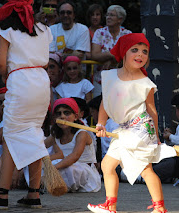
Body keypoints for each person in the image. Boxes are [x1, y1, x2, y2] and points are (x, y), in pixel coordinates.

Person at [0, 0, 52, 210]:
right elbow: (45, 60)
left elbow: (1, 63)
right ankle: (34, 194)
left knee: (11, 135)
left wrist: (5, 73)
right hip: (41, 80)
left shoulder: (4, 28)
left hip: (20, 81)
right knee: (35, 133)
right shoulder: (44, 29)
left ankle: (2, 195)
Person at [87, 33, 168, 213]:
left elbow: (151, 110)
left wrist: (156, 136)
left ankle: (159, 208)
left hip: (140, 128)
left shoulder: (145, 83)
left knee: (145, 169)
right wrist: (100, 123)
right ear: (123, 52)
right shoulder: (109, 76)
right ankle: (111, 205)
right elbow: (104, 103)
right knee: (107, 166)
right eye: (135, 50)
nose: (140, 55)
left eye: (144, 51)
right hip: (124, 129)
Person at [44, 98, 101, 192]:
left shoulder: (82, 134)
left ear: (75, 116)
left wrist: (53, 168)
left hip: (84, 173)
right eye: (58, 114)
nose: (62, 116)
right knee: (40, 165)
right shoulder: (55, 134)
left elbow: (74, 156)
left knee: (68, 169)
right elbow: (38, 149)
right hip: (62, 167)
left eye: (66, 113)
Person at [91, 5, 131, 97]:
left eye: (112, 15)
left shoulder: (127, 34)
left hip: (121, 80)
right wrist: (113, 55)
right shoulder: (99, 32)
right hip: (101, 79)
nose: (108, 17)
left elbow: (128, 56)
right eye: (107, 15)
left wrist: (108, 58)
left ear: (120, 19)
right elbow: (95, 55)